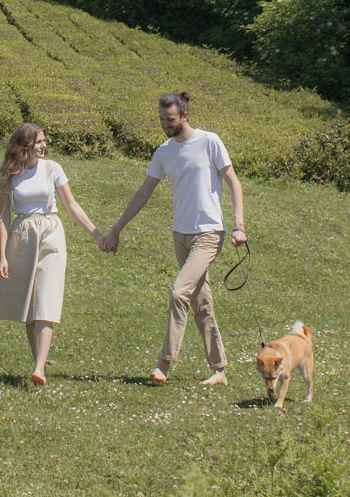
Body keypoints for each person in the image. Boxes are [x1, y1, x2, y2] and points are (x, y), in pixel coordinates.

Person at [102, 92, 247, 386]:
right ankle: (219, 369)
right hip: (180, 234)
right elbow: (144, 193)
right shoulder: (164, 152)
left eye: (170, 120)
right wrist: (117, 228)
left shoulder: (209, 142)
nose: (165, 125)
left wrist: (238, 225)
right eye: (161, 120)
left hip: (209, 232)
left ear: (184, 116)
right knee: (201, 300)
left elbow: (233, 181)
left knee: (179, 291)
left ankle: (164, 363)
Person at [0, 122, 105, 385]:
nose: (43, 146)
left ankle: (40, 367)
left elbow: (71, 205)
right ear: (23, 146)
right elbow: (4, 216)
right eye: (38, 142)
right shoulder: (9, 175)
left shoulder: (53, 169)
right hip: (22, 234)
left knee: (46, 298)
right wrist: (2, 255)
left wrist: (96, 234)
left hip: (51, 232)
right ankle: (39, 363)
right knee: (28, 305)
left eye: (43, 141)